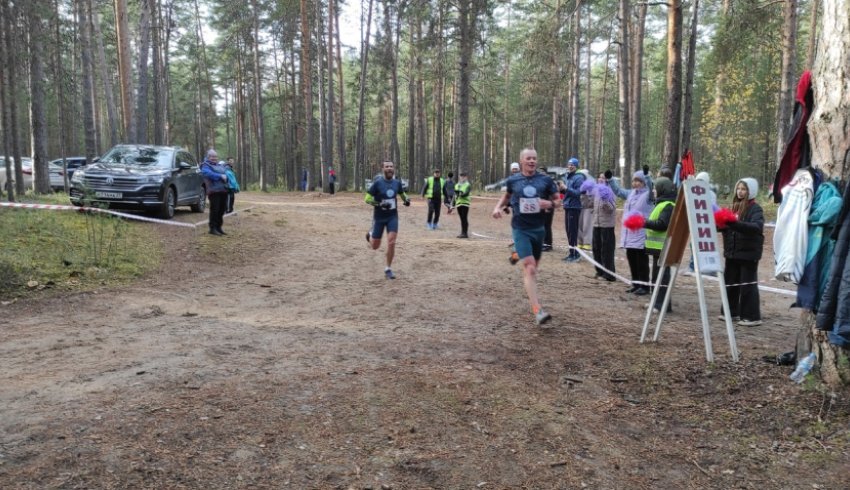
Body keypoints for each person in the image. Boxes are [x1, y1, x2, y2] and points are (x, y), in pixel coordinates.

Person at [492, 148, 561, 325]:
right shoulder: (513, 180)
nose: (532, 161)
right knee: (530, 268)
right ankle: (538, 310)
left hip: (539, 229)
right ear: (521, 161)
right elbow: (506, 196)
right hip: (520, 228)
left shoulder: (545, 180)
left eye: (534, 159)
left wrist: (551, 203)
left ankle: (516, 254)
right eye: (528, 158)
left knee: (533, 266)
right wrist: (498, 208)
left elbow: (559, 200)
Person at [719, 178, 764, 326]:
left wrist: (734, 224)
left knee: (747, 286)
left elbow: (756, 227)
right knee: (730, 283)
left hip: (748, 254)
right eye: (738, 188)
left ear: (750, 191)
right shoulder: (734, 207)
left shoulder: (755, 209)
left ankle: (751, 316)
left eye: (744, 189)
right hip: (732, 253)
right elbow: (729, 228)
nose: (740, 191)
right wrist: (720, 224)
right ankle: (730, 312)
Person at [365, 161, 411, 279]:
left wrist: (406, 200)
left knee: (391, 241)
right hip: (379, 217)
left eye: (391, 166)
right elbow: (367, 198)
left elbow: (402, 194)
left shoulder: (397, 183)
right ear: (383, 169)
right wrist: (380, 204)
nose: (389, 168)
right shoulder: (377, 183)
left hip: (392, 217)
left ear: (393, 169)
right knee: (375, 246)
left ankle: (388, 269)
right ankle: (369, 235)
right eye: (387, 167)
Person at [612, 170, 654, 296]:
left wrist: (647, 177)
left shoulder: (648, 195)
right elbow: (618, 191)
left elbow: (651, 187)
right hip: (629, 233)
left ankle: (645, 286)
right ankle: (636, 284)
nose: (635, 183)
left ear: (643, 182)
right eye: (634, 181)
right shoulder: (631, 193)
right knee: (632, 260)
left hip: (641, 232)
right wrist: (610, 180)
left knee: (641, 261)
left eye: (639, 181)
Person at [643, 177, 677, 313]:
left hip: (664, 247)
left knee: (662, 277)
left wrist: (644, 222)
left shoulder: (668, 205)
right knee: (656, 276)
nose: (654, 191)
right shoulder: (661, 204)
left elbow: (662, 225)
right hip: (658, 248)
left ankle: (661, 305)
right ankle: (656, 302)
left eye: (656, 188)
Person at [591, 172, 617, 281]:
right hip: (596, 224)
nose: (601, 179)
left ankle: (609, 274)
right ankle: (600, 271)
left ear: (607, 180)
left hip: (607, 226)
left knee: (607, 250)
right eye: (599, 177)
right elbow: (590, 204)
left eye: (603, 178)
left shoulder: (610, 191)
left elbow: (611, 208)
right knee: (596, 249)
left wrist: (605, 200)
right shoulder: (596, 191)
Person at [559, 157, 585, 262]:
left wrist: (566, 189)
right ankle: (572, 253)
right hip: (568, 206)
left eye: (572, 165)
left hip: (575, 207)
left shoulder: (579, 177)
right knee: (568, 231)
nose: (570, 166)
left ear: (576, 166)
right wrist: (561, 190)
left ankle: (575, 254)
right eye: (569, 164)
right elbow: (568, 193)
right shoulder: (568, 176)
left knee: (572, 232)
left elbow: (578, 193)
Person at [200, 149, 229, 236]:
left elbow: (226, 173)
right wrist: (220, 176)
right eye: (212, 156)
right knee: (215, 210)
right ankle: (212, 228)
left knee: (222, 209)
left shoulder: (220, 165)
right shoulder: (205, 165)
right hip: (213, 191)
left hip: (223, 190)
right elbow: (208, 174)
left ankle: (219, 227)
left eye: (215, 157)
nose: (214, 158)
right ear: (208, 157)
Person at [577, 168, 594, 251]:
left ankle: (587, 243)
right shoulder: (578, 183)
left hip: (588, 208)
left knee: (587, 225)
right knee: (579, 225)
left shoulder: (591, 183)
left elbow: (593, 196)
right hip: (580, 207)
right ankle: (580, 242)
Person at [453, 172, 472, 238]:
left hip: (465, 203)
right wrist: (452, 205)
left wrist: (460, 194)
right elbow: (454, 195)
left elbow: (466, 193)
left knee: (464, 218)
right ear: (459, 177)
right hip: (458, 204)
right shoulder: (456, 185)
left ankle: (465, 233)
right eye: (461, 176)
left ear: (466, 177)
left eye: (464, 176)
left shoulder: (468, 185)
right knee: (461, 218)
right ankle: (462, 233)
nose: (462, 178)